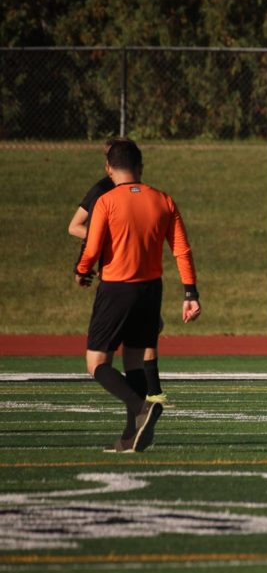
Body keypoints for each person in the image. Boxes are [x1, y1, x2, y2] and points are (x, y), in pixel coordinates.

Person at [74, 138, 200, 453]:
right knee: (133, 360)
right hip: (150, 290)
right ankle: (131, 436)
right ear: (140, 167)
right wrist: (190, 291)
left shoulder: (106, 201)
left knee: (96, 363)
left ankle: (143, 407)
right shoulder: (163, 200)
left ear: (108, 168)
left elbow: (92, 247)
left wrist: (82, 270)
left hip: (117, 288)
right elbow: (181, 249)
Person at [69, 138, 169, 405]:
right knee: (127, 346)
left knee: (139, 340)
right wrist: (101, 242)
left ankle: (149, 398)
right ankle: (144, 404)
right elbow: (76, 226)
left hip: (137, 276)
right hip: (117, 275)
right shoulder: (103, 190)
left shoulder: (141, 193)